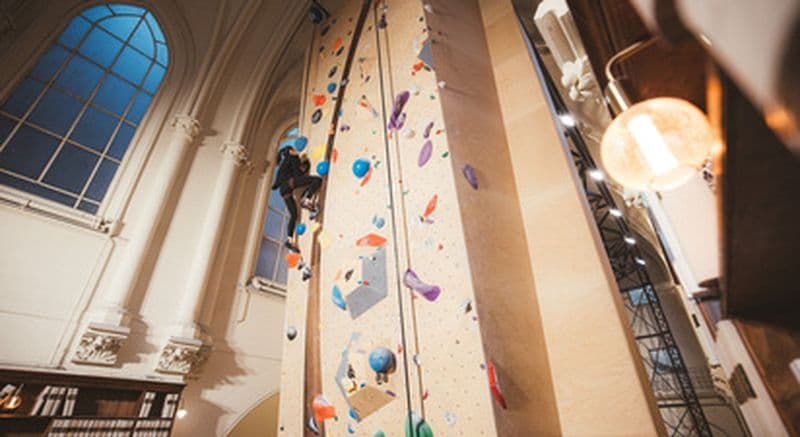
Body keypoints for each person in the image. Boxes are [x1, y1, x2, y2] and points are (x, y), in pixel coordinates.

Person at [272, 146, 322, 252]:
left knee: (294, 215)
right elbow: (297, 175)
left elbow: (275, 185)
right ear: (291, 151)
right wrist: (303, 169)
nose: (296, 151)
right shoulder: (293, 157)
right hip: (290, 183)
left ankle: (289, 239)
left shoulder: (283, 164)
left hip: (284, 191)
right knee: (317, 180)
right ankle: (306, 199)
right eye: (294, 149)